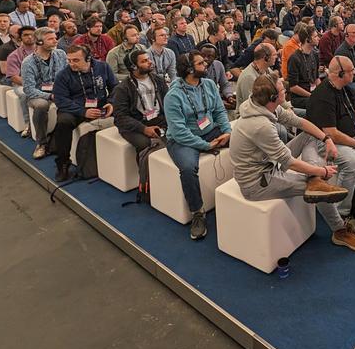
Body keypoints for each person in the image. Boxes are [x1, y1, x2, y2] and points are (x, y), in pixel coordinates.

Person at [231, 74, 355, 251]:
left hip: (268, 164)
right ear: (273, 97)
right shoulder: (260, 126)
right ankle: (339, 230)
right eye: (283, 89)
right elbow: (289, 162)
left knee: (308, 137)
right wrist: (321, 172)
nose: (286, 90)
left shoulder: (263, 106)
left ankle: (315, 180)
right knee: (320, 191)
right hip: (257, 182)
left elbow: (300, 123)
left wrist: (326, 138)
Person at [162, 51, 231, 240]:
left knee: (243, 140)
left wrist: (227, 132)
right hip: (183, 140)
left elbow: (219, 111)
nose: (206, 65)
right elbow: (178, 131)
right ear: (190, 69)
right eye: (201, 63)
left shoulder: (208, 84)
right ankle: (198, 213)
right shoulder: (173, 96)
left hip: (211, 131)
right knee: (187, 168)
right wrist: (205, 145)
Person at [50, 44, 117, 182]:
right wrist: (83, 112)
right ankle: (63, 163)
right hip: (74, 108)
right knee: (63, 122)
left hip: (101, 105)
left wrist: (112, 103)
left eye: (76, 60)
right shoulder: (63, 75)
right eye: (69, 60)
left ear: (88, 58)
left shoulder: (103, 67)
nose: (71, 63)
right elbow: (60, 99)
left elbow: (115, 87)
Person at [112, 48, 169, 193]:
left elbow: (168, 103)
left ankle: (166, 179)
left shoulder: (158, 80)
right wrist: (143, 129)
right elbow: (120, 117)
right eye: (144, 61)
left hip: (158, 118)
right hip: (135, 124)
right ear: (133, 67)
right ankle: (147, 182)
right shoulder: (123, 88)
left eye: (148, 59)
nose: (150, 62)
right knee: (145, 144)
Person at [21, 28, 68, 159]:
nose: (55, 41)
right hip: (38, 94)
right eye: (51, 39)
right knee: (41, 105)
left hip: (59, 91)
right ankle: (41, 143)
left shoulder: (61, 54)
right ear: (40, 42)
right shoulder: (28, 62)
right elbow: (29, 89)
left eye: (55, 37)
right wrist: (50, 96)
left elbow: (67, 76)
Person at [286, 26, 320, 112]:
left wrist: (321, 91)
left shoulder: (315, 54)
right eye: (315, 36)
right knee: (320, 105)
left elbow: (316, 78)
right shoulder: (294, 58)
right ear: (307, 39)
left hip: (313, 92)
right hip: (300, 98)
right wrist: (311, 95)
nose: (318, 38)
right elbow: (293, 87)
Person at [235, 42, 277, 111]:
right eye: (274, 55)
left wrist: (288, 107)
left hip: (268, 110)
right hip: (251, 116)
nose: (276, 57)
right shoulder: (249, 77)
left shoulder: (266, 70)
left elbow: (278, 91)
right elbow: (253, 106)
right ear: (266, 58)